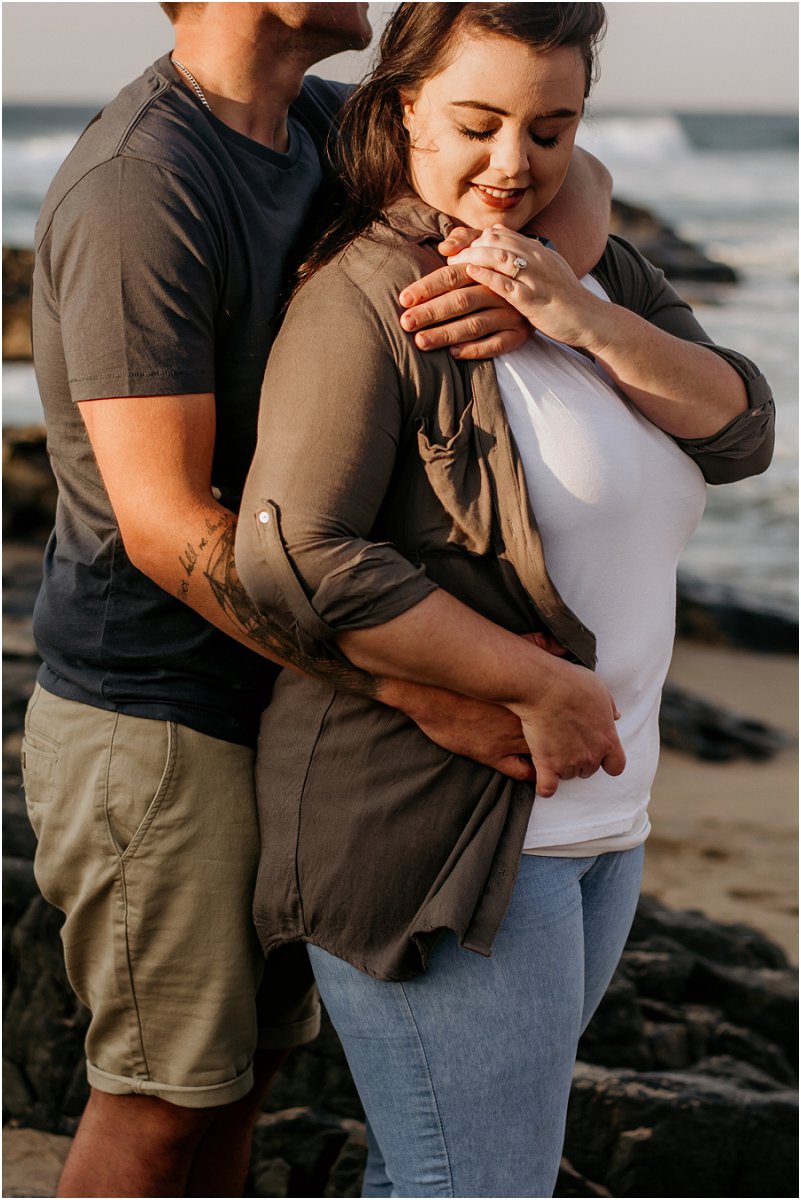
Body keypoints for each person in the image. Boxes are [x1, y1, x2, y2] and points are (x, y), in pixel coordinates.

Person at [21, 2, 615, 1195]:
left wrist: (536, 285)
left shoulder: (319, 122)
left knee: (242, 1080)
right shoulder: (144, 185)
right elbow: (162, 525)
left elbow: (569, 171)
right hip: (160, 716)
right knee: (158, 1101)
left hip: (286, 707)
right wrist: (412, 683)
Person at [235, 3, 776, 1196]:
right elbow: (295, 555)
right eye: (478, 123)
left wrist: (575, 312)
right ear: (402, 106)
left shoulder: (586, 270)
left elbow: (741, 429)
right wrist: (539, 681)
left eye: (552, 128)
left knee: (441, 1174)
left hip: (595, 826)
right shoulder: (373, 299)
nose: (513, 165)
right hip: (441, 827)